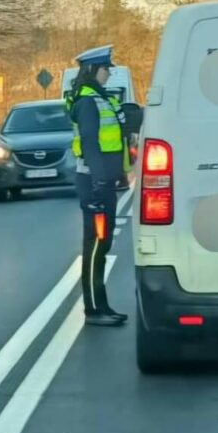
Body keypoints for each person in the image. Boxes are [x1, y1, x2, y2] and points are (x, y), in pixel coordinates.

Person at [66, 45, 128, 328]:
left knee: (103, 245)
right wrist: (100, 180)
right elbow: (90, 143)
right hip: (94, 184)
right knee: (94, 247)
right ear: (93, 70)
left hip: (102, 183)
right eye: (106, 69)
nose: (110, 72)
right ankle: (93, 310)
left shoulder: (99, 98)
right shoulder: (88, 102)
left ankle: (102, 305)